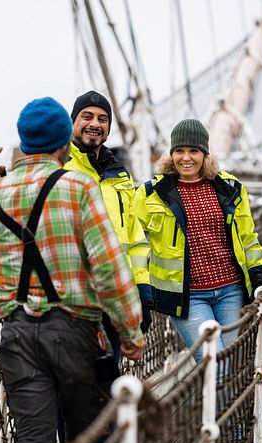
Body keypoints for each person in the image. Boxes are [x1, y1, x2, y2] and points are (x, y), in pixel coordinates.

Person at [0, 97, 145, 443]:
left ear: (24, 140)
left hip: (16, 335)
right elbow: (109, 268)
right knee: (85, 440)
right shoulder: (78, 187)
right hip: (75, 334)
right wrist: (130, 331)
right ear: (63, 142)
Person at [134, 118, 262, 362]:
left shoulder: (231, 188)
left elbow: (247, 237)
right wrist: (139, 287)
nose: (186, 158)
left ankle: (222, 403)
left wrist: (258, 271)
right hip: (188, 296)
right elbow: (133, 244)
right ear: (171, 154)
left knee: (231, 364)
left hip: (231, 290)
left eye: (193, 151)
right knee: (212, 363)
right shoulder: (150, 194)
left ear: (205, 154)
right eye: (179, 151)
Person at [65, 91, 153, 367]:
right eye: (87, 116)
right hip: (74, 300)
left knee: (107, 380)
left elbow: (135, 238)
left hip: (116, 297)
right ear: (72, 122)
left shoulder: (119, 173)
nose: (95, 123)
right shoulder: (60, 167)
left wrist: (142, 293)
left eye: (103, 119)